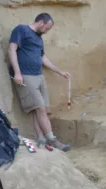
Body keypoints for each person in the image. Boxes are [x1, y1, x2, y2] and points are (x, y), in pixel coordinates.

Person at [8, 13, 71, 151]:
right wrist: (17, 72)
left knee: (42, 110)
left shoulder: (39, 39)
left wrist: (59, 71)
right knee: (40, 108)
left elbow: (43, 58)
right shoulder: (21, 30)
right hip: (26, 76)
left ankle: (41, 139)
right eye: (47, 28)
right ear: (41, 22)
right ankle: (52, 140)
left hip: (39, 76)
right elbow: (12, 49)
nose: (46, 32)